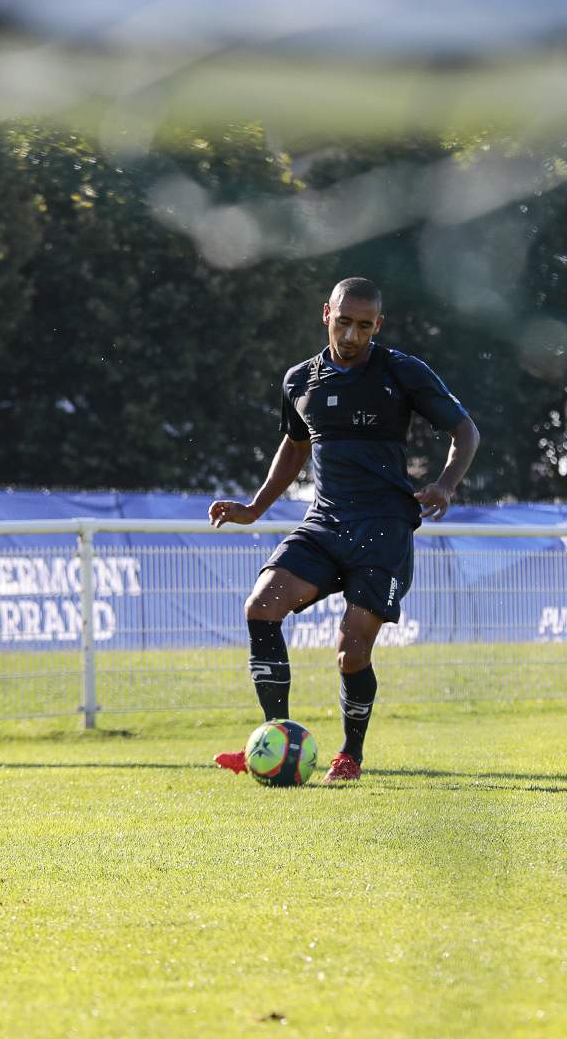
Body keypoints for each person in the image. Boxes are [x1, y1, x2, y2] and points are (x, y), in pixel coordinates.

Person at [208, 277, 480, 783]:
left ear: (378, 325)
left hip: (385, 528)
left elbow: (464, 429)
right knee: (260, 609)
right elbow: (294, 447)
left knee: (351, 652)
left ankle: (350, 755)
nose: (352, 335)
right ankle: (275, 742)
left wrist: (444, 484)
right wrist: (255, 508)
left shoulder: (402, 371)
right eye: (343, 322)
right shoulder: (299, 380)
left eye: (363, 326)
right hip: (325, 522)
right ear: (325, 314)